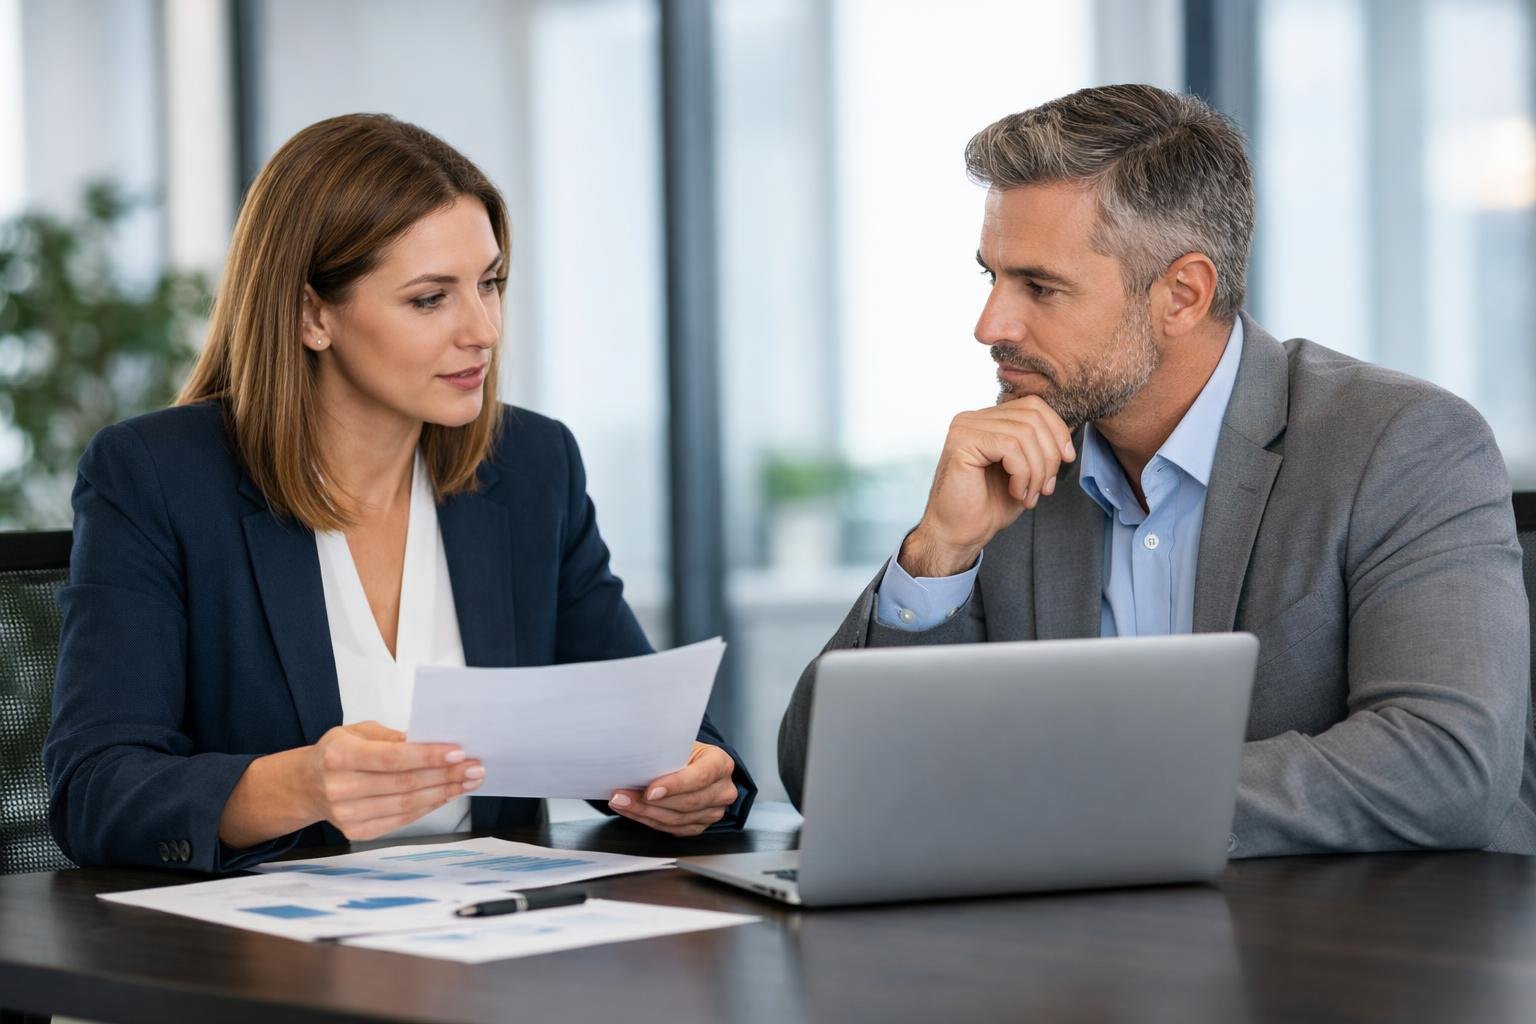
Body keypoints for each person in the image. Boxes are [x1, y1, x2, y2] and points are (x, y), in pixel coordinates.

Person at [778, 84, 1536, 857]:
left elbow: (1449, 764)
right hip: (1080, 956)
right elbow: (825, 779)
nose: (991, 326)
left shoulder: (1400, 444)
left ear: (1182, 294)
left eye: (1040, 287)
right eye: (992, 278)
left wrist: (1080, 796)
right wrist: (938, 555)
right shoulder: (1019, 457)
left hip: (1365, 949)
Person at [45, 114, 754, 872]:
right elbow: (94, 789)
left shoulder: (532, 466)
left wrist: (695, 782)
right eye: (429, 299)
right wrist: (296, 786)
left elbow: (649, 733)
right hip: (270, 957)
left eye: (489, 284)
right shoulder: (157, 477)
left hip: (497, 939)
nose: (482, 330)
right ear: (313, 314)